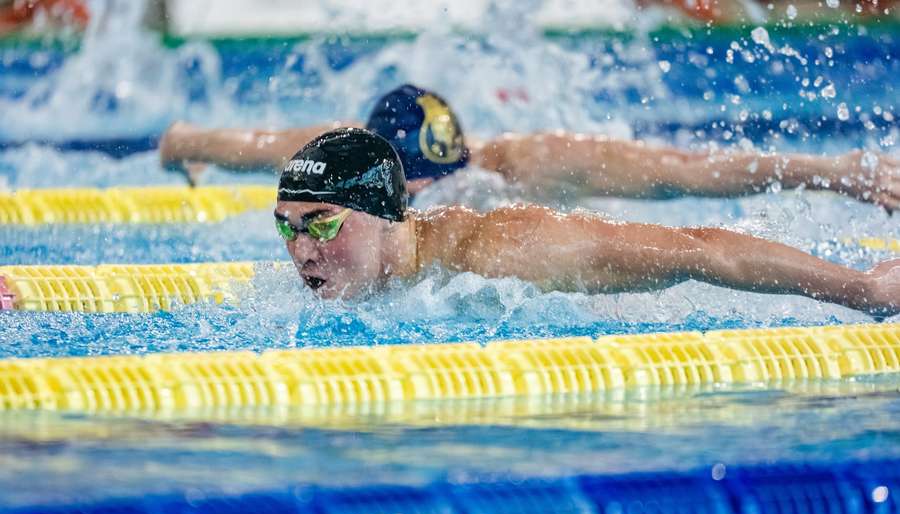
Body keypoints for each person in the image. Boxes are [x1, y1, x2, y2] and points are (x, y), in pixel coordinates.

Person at [273, 127, 899, 316]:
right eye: (287, 227)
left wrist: (864, 288)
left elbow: (699, 248)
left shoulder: (505, 252)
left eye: (322, 225)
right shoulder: (328, 285)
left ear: (390, 214)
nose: (302, 252)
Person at [161, 84, 900, 214]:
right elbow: (197, 138)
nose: (415, 196)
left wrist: (834, 172)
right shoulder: (333, 152)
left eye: (428, 179)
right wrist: (184, 151)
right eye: (405, 181)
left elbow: (694, 172)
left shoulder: (530, 164)